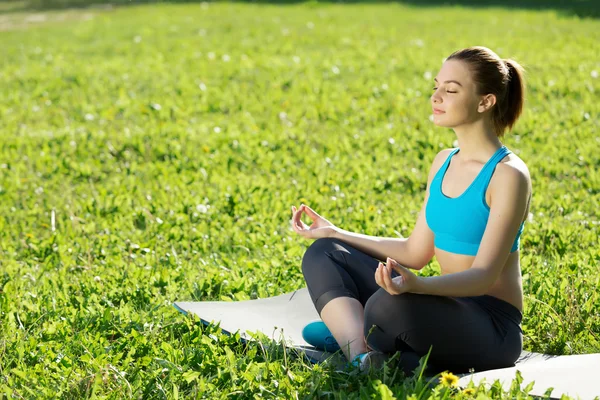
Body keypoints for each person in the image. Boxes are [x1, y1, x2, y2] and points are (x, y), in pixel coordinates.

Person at [290, 46, 532, 376]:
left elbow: (483, 277)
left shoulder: (508, 175)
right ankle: (362, 355)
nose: (436, 97)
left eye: (451, 90)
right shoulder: (443, 161)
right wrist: (335, 232)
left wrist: (418, 286)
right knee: (324, 253)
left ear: (485, 101)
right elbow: (414, 251)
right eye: (436, 86)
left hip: (491, 326)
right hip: (442, 305)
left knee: (385, 305)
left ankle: (354, 334)